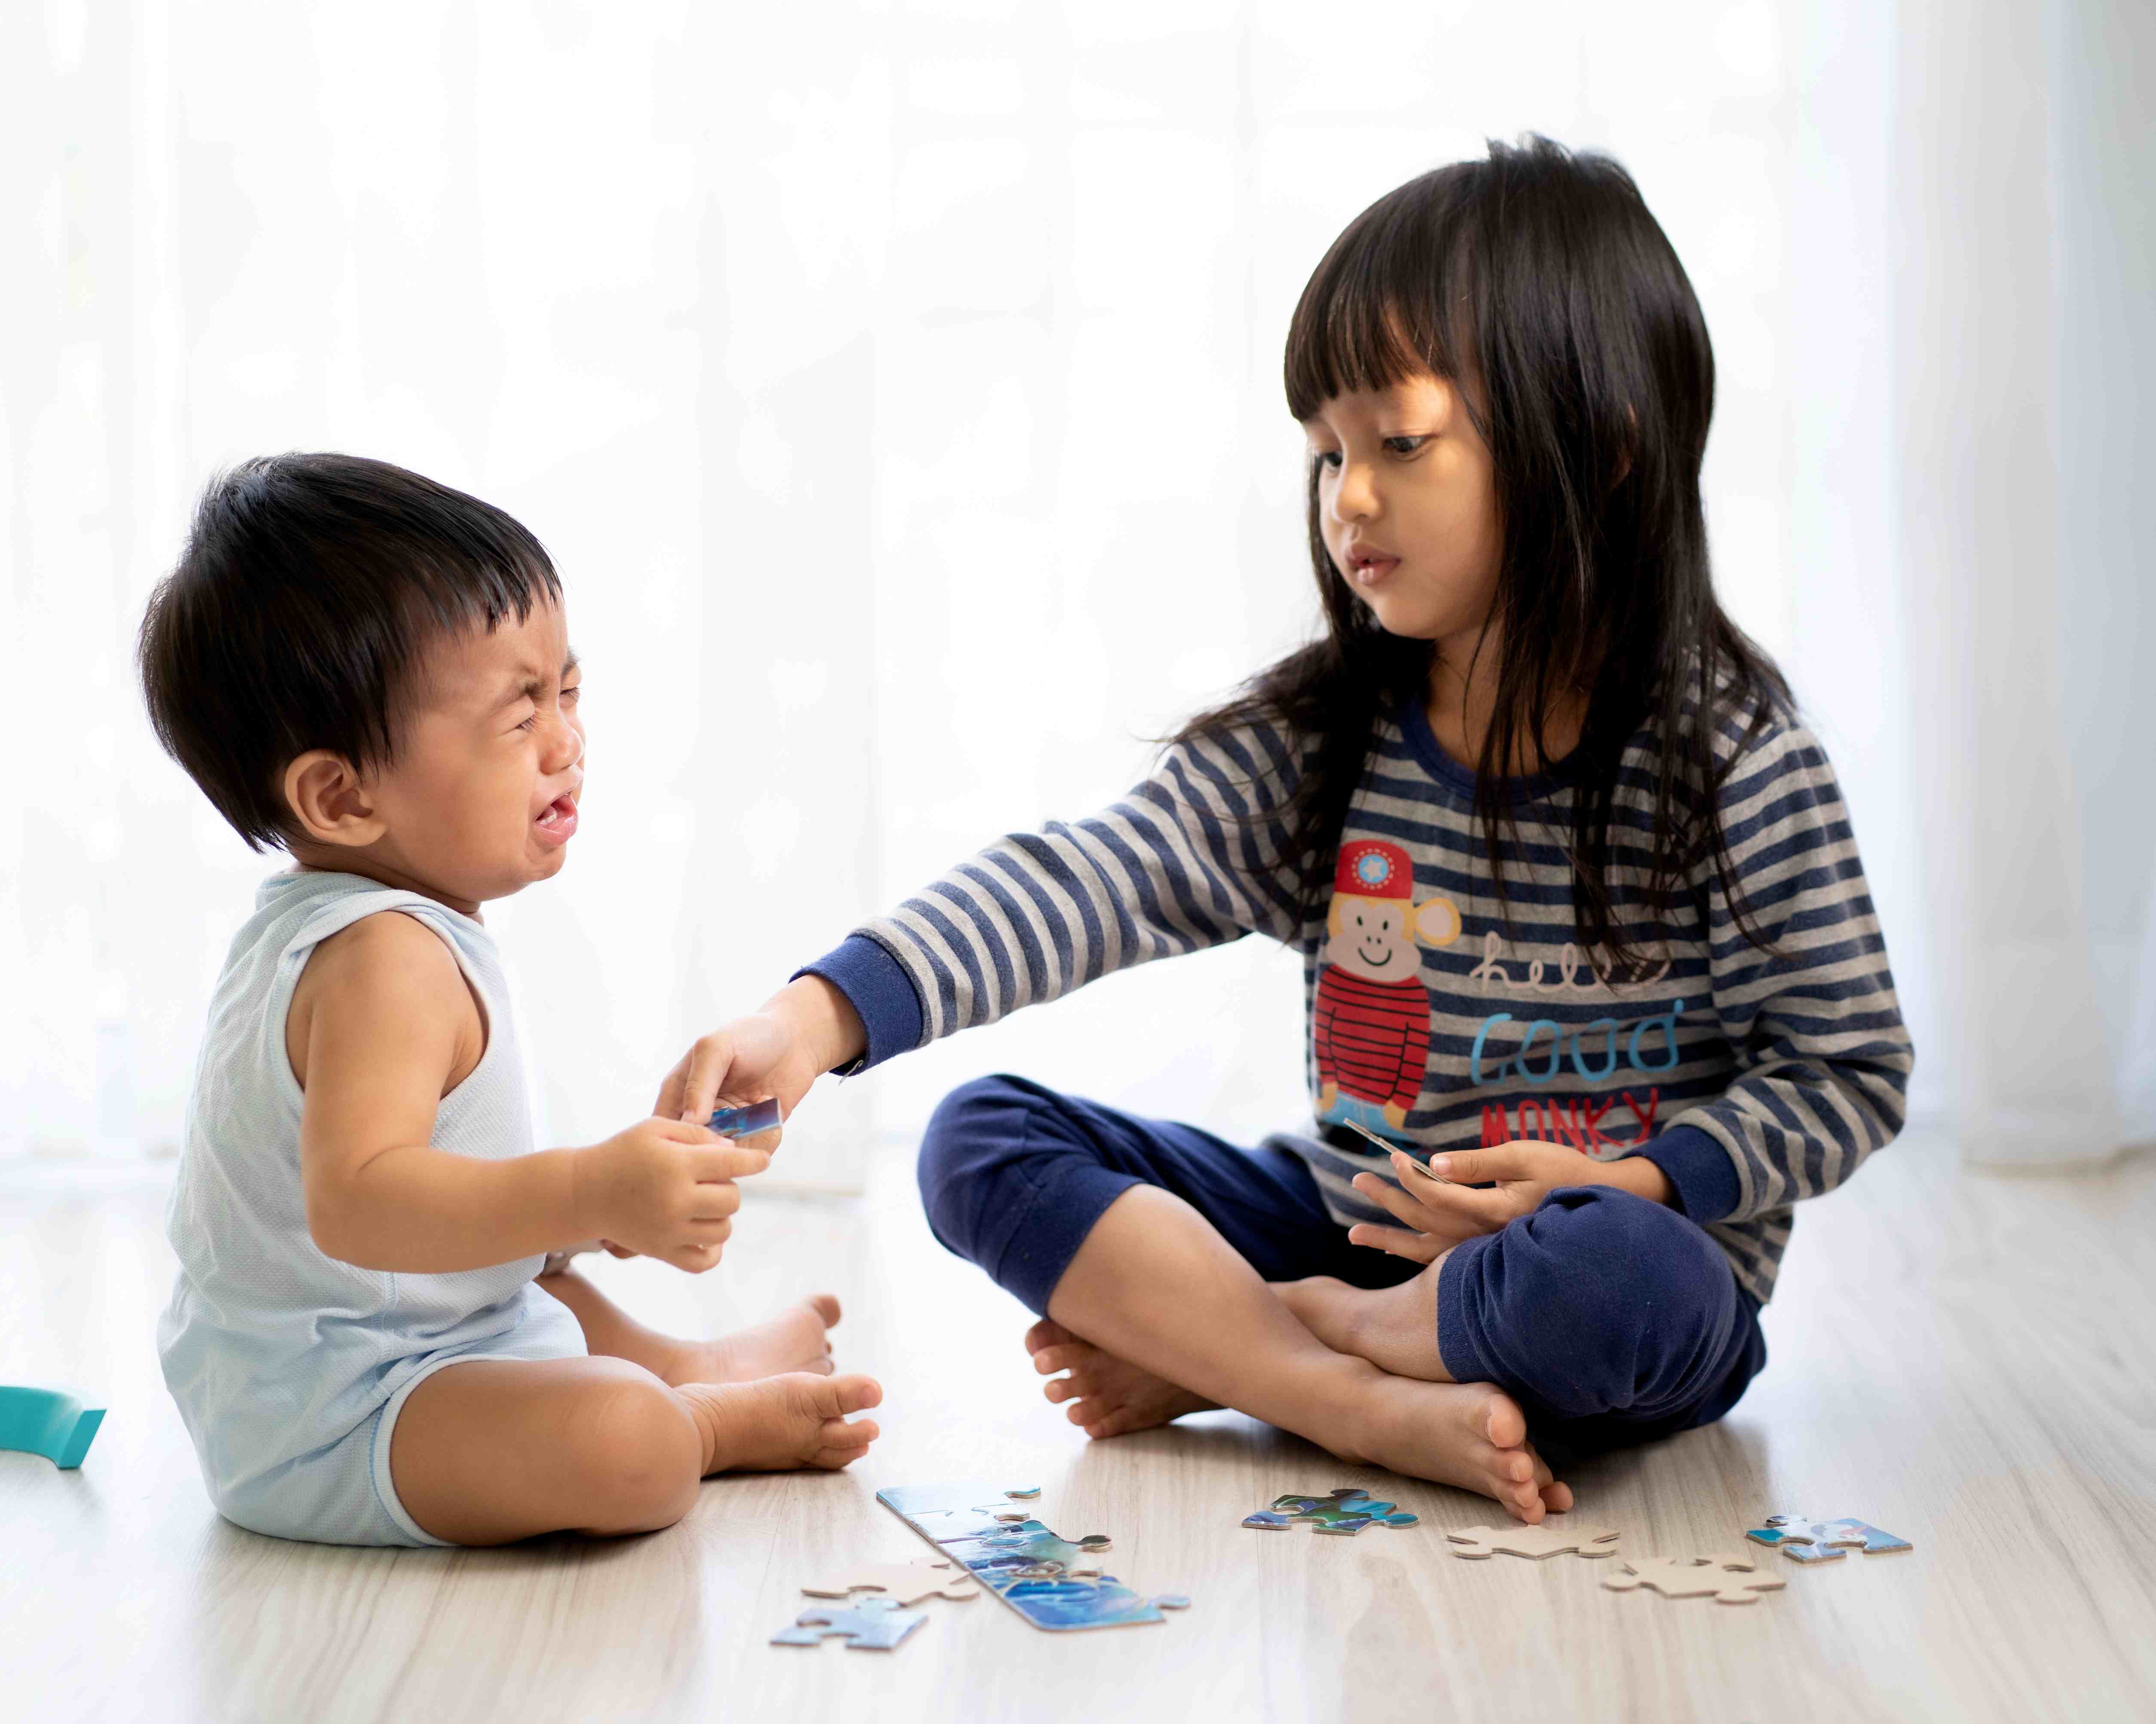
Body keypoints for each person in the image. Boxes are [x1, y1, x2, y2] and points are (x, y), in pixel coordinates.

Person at [663, 138, 1913, 1522]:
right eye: (1327, 451)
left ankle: (1257, 1350)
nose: (1348, 497)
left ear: (1604, 451)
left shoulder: (1737, 759)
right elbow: (1097, 876)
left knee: (1614, 1283)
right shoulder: (1328, 744)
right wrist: (822, 1014)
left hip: (1607, 1268)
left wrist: (1631, 1176)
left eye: (1401, 441)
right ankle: (1345, 1387)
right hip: (1354, 1223)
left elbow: (1848, 1071)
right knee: (978, 1143)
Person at [143, 453, 878, 1547]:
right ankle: (697, 1420)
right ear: (342, 793)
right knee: (623, 1443)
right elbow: (360, 1201)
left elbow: (454, 1212)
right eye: (520, 711)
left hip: (405, 1348)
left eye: (568, 691)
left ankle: (682, 1366)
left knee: (540, 1276)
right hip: (336, 1416)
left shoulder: (370, 918)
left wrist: (593, 1207)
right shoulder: (381, 955)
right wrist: (588, 1191)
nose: (567, 742)